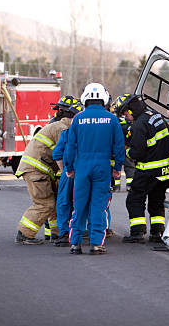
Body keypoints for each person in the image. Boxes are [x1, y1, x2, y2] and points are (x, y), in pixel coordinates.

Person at [64, 83, 125, 255]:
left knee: (79, 205)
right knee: (99, 205)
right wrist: (117, 167)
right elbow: (119, 146)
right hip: (102, 167)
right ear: (104, 98)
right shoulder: (112, 119)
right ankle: (97, 243)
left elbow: (70, 146)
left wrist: (69, 167)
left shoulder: (77, 119)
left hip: (82, 167)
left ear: (85, 98)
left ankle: (75, 243)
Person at [114, 93, 169, 244]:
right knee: (156, 200)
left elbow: (137, 152)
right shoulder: (155, 115)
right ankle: (157, 232)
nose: (125, 116)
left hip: (150, 169)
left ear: (131, 109)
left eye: (125, 113)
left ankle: (137, 232)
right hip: (167, 170)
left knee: (134, 199)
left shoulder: (138, 125)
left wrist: (125, 150)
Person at [14, 106, 72, 245]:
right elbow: (65, 153)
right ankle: (24, 233)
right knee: (45, 204)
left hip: (37, 170)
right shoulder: (62, 129)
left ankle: (57, 233)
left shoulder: (59, 125)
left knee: (53, 202)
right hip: (36, 171)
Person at [51, 102, 83, 247]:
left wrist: (65, 170)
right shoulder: (90, 133)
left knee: (64, 201)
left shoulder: (68, 132)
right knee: (87, 202)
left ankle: (64, 233)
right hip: (84, 171)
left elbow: (58, 154)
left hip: (69, 171)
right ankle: (86, 231)